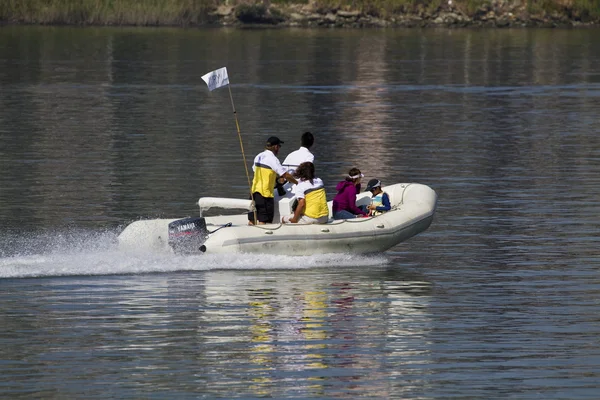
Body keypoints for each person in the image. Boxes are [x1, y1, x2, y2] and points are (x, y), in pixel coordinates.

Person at [248, 136, 297, 225]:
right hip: (265, 195)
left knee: (252, 219)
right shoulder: (273, 159)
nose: (279, 149)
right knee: (264, 221)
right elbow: (285, 174)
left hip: (253, 192)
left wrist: (275, 179)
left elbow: (256, 171)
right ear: (275, 147)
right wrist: (297, 182)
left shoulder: (258, 156)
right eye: (279, 147)